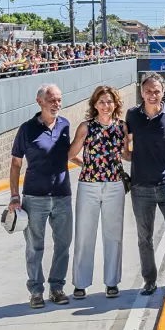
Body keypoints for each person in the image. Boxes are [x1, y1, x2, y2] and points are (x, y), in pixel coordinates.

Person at [9, 84, 74, 309]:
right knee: (35, 247)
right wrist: (14, 196)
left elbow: (68, 155)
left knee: (63, 244)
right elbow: (16, 164)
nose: (56, 104)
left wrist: (90, 167)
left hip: (62, 195)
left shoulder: (65, 125)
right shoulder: (26, 129)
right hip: (35, 197)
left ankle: (57, 287)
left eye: (59, 99)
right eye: (52, 100)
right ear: (40, 102)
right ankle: (36, 291)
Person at [125, 72, 165, 295]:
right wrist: (131, 155)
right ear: (142, 92)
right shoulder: (132, 115)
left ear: (163, 92)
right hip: (140, 187)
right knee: (145, 237)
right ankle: (149, 280)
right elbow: (125, 143)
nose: (152, 94)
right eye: (148, 91)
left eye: (156, 91)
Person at [68, 86, 127, 299]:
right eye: (101, 101)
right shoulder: (86, 127)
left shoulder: (122, 127)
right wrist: (85, 164)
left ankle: (112, 282)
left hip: (114, 185)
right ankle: (80, 283)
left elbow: (126, 154)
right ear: (94, 104)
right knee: (84, 235)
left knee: (114, 235)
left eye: (109, 101)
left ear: (115, 104)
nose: (105, 105)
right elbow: (71, 152)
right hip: (89, 186)